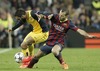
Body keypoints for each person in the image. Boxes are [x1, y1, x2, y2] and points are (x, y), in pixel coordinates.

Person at [21, 9, 96, 69]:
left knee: (55, 51)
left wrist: (88, 35)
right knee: (35, 57)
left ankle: (63, 63)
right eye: (60, 14)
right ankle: (29, 67)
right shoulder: (55, 17)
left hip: (59, 43)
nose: (60, 16)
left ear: (66, 16)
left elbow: (79, 30)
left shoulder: (69, 23)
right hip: (49, 42)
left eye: (62, 16)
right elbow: (45, 15)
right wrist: (41, 15)